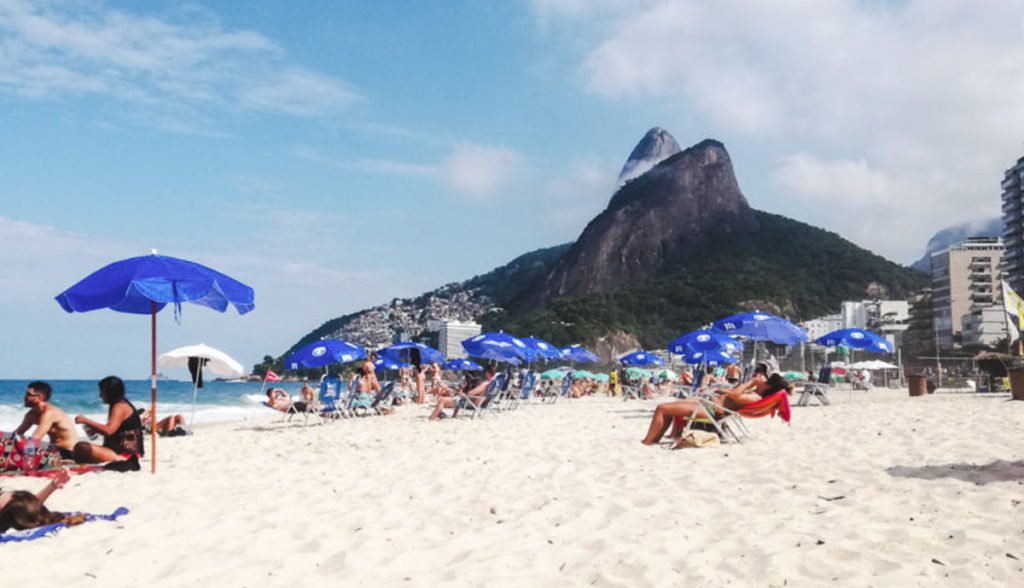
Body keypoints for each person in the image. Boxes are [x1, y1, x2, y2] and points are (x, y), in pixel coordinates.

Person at [642, 370, 768, 445]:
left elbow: (735, 395)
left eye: (761, 375)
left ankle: (647, 442)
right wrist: (718, 390)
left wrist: (751, 382)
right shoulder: (753, 394)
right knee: (668, 409)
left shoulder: (755, 397)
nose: (757, 375)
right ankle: (654, 440)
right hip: (709, 405)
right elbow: (732, 396)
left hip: (710, 410)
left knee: (661, 408)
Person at [73, 376, 144, 464]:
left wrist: (86, 420)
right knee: (80, 450)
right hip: (118, 451)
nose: (100, 396)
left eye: (102, 392)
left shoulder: (120, 406)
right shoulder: (119, 404)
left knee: (81, 447)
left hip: (126, 455)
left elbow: (109, 431)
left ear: (110, 393)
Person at [0, 467, 85, 533]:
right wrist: (52, 486)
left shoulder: (14, 511)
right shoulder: (12, 509)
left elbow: (23, 509)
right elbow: (25, 508)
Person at [13, 381, 79, 460]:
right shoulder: (31, 415)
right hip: (54, 450)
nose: (25, 397)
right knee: (12, 441)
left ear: (40, 397)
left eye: (29, 394)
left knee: (27, 444)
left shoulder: (49, 413)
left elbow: (36, 439)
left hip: (69, 452)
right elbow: (16, 435)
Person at [429, 366, 495, 420]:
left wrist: (462, 392)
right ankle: (448, 415)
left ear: (487, 373)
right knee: (449, 398)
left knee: (442, 400)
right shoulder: (493, 384)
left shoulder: (485, 384)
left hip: (472, 403)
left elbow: (470, 393)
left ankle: (431, 419)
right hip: (478, 403)